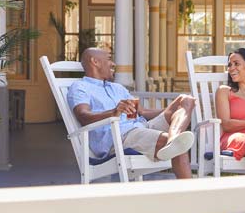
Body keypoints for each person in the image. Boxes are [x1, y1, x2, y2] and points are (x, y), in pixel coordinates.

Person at [68, 47, 196, 179]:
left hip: (141, 127)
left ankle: (172, 138)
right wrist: (114, 112)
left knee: (186, 100)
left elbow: (143, 112)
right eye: (109, 59)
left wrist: (175, 109)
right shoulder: (80, 87)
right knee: (180, 145)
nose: (113, 64)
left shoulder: (117, 87)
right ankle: (191, 195)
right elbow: (83, 116)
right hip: (119, 136)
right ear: (95, 61)